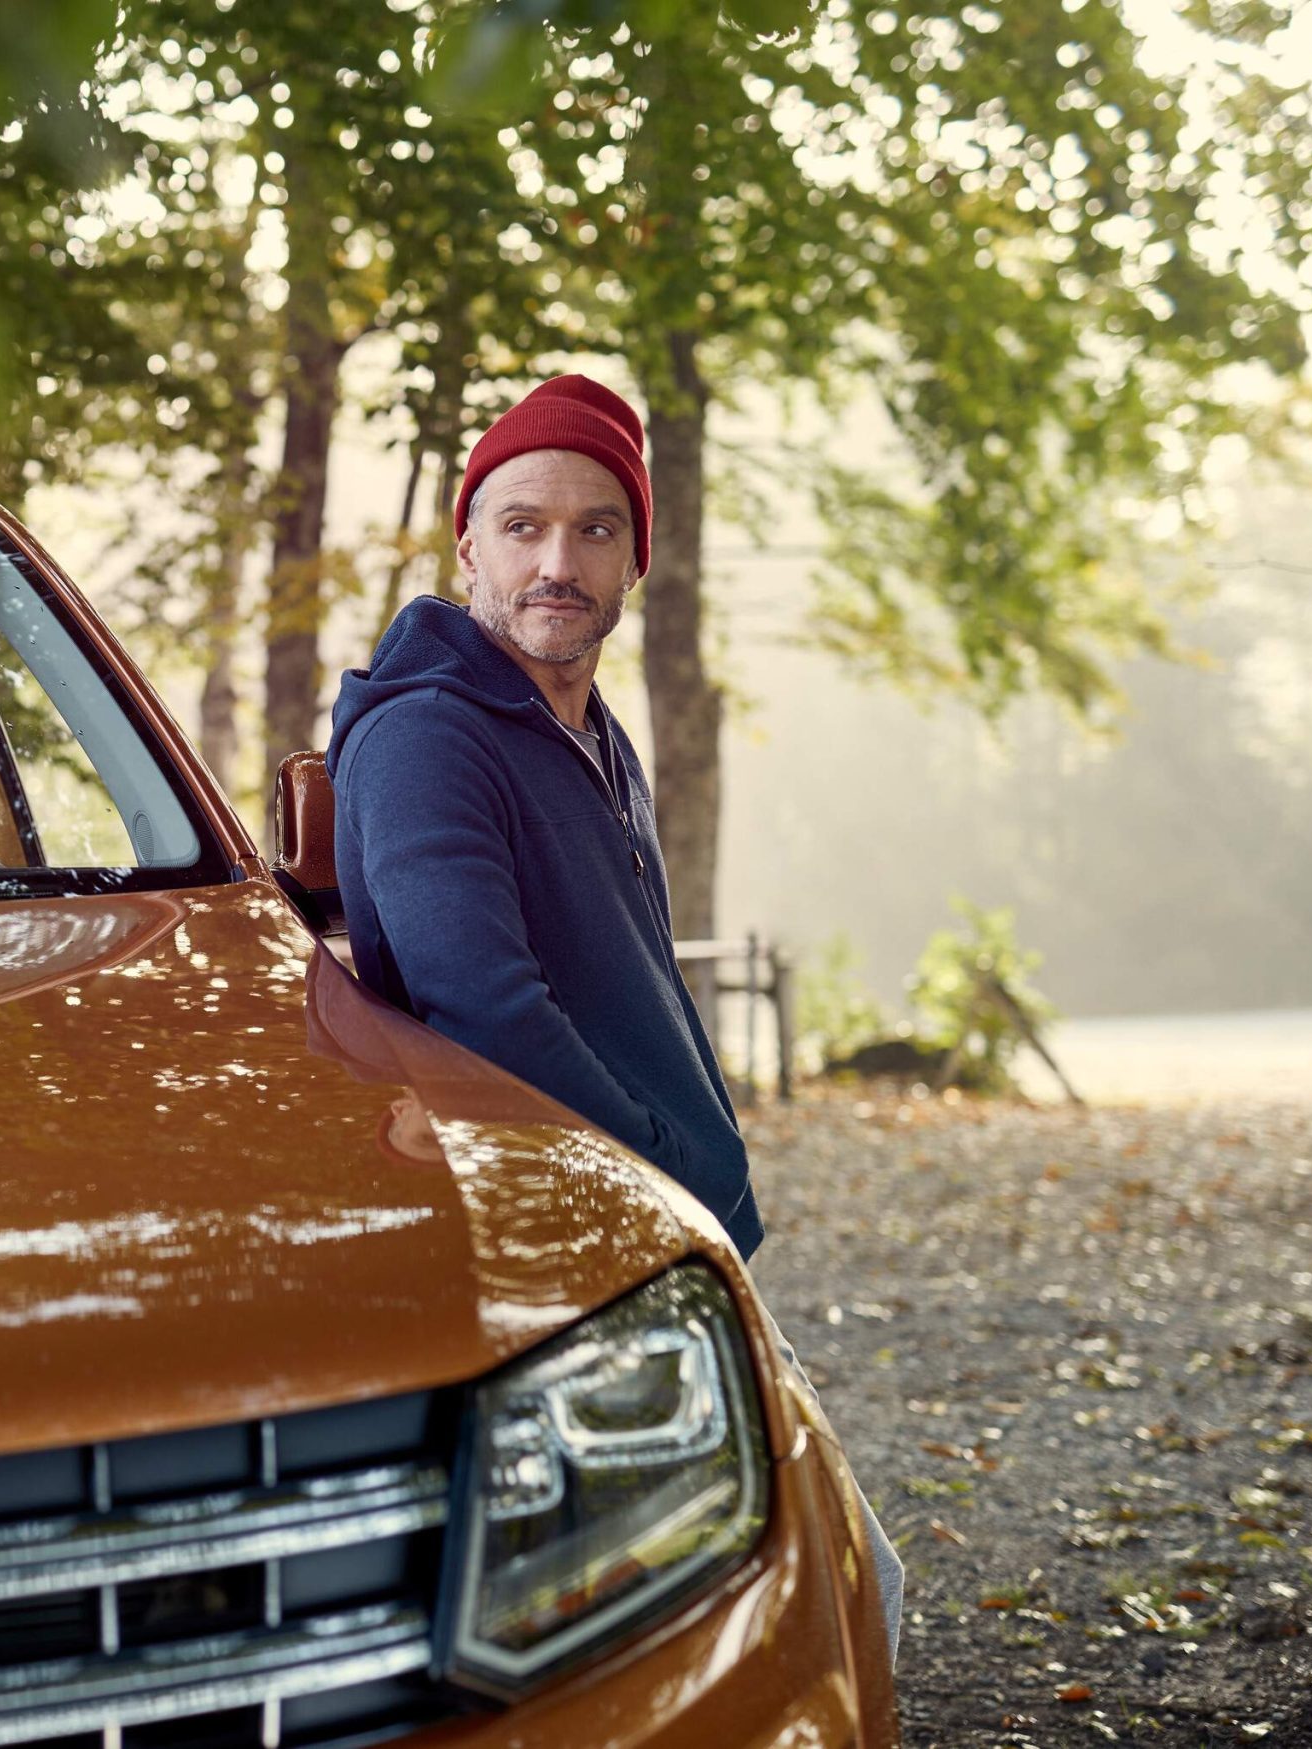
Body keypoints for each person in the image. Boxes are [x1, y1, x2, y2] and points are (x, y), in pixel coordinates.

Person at [325, 372, 902, 1656]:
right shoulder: (430, 737)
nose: (557, 563)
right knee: (809, 1611)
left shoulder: (581, 722)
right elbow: (484, 1011)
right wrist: (663, 1167)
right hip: (572, 1258)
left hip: (663, 1236)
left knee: (759, 1614)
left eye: (595, 529)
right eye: (523, 525)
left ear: (636, 555)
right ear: (466, 538)